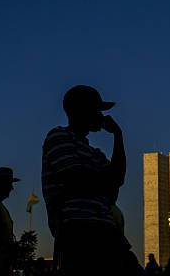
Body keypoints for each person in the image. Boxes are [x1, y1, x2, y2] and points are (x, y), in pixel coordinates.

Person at [41, 85, 141, 275]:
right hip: (77, 230)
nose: (100, 116)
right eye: (97, 110)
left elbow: (117, 181)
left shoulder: (95, 153)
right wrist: (103, 182)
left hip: (105, 228)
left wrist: (118, 137)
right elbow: (75, 180)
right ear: (83, 111)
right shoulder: (58, 136)